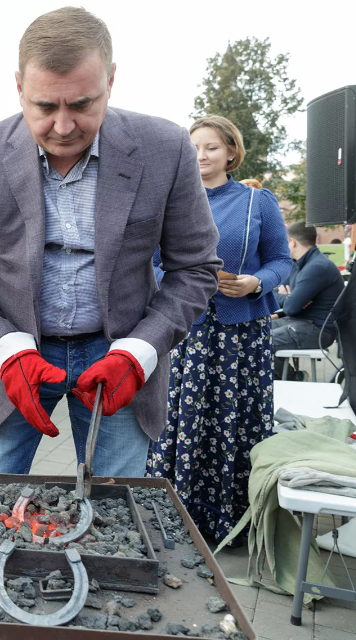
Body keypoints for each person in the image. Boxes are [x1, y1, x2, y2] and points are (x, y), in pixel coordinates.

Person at [0, 6, 222, 475]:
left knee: (113, 518)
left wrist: (141, 351)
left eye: (84, 104)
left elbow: (195, 268)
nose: (64, 126)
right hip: (18, 358)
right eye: (45, 106)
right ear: (18, 88)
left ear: (111, 80)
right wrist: (6, 348)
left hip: (118, 356)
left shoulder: (166, 148)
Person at [147, 115, 292, 543]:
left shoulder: (256, 202)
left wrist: (255, 283)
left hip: (240, 336)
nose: (200, 156)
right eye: (193, 148)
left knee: (234, 423)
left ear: (231, 152)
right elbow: (151, 263)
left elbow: (282, 260)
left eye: (211, 147)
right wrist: (172, 284)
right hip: (186, 331)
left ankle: (231, 523)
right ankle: (173, 516)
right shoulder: (173, 200)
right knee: (181, 420)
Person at [273, 221, 345, 379]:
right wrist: (290, 298)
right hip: (298, 321)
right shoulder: (299, 264)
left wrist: (290, 299)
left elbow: (291, 307)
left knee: (259, 343)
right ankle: (288, 378)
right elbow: (284, 298)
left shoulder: (317, 267)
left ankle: (293, 379)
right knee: (252, 333)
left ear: (292, 242)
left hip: (318, 330)